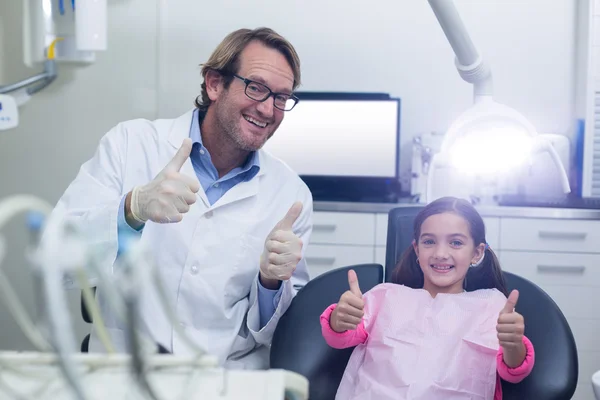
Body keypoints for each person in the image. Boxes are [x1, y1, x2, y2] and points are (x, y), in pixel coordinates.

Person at [45, 27, 313, 369]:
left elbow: (279, 333)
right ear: (215, 84)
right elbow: (55, 259)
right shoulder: (130, 143)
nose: (268, 109)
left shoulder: (291, 194)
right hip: (125, 373)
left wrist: (271, 282)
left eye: (281, 97)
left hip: (224, 377)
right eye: (256, 87)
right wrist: (131, 209)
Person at [320, 197, 535, 399]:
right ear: (417, 248)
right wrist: (339, 319)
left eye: (456, 243)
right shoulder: (385, 296)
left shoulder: (491, 307)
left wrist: (513, 343)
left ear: (477, 252)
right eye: (429, 241)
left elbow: (513, 370)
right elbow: (340, 337)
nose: (440, 253)